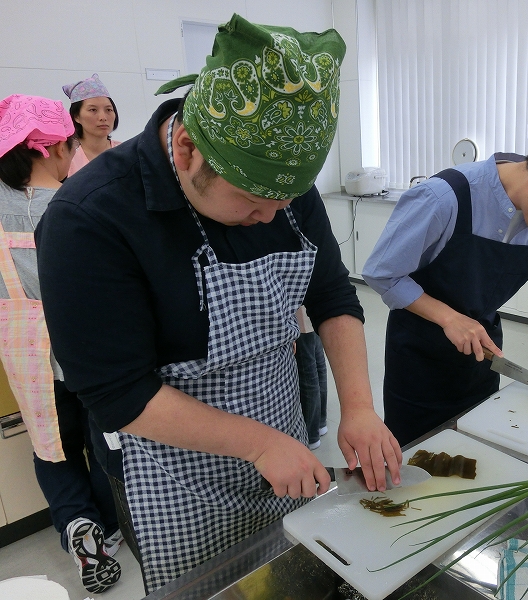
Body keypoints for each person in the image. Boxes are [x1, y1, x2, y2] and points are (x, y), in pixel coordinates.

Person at [35, 15, 401, 593]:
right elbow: (116, 392)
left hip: (284, 447)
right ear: (185, 149)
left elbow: (331, 294)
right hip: (179, 479)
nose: (272, 218)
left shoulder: (279, 179)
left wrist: (358, 406)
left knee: (290, 581)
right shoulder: (89, 218)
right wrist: (257, 443)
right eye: (254, 203)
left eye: (287, 202)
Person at [362, 102, 528, 446]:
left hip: (483, 357)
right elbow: (382, 273)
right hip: (419, 361)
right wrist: (448, 317)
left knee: (476, 447)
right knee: (419, 463)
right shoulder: (444, 198)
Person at [0, 94, 122, 593]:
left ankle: (76, 524)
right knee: (107, 441)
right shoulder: (83, 203)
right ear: (50, 147)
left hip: (26, 351)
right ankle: (109, 529)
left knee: (52, 444)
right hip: (90, 346)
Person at [62, 73, 121, 176]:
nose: (103, 117)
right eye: (93, 110)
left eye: (108, 110)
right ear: (76, 116)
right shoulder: (67, 157)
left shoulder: (127, 152)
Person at [296, 306, 328, 450]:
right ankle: (321, 422)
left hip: (301, 315)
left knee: (307, 373)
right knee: (318, 365)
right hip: (315, 311)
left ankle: (310, 434)